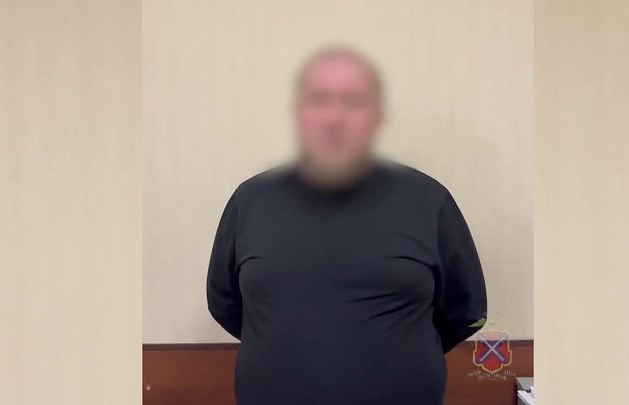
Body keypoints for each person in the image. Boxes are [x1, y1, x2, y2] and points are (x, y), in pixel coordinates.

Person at [207, 46, 487, 405]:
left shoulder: (429, 201)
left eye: (353, 102)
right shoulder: (250, 201)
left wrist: (399, 352)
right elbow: (225, 303)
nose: (335, 117)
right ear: (299, 113)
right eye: (319, 100)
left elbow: (466, 311)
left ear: (377, 116)